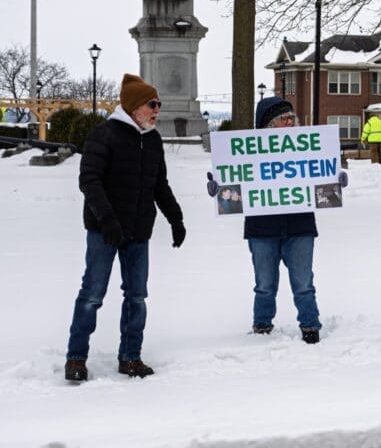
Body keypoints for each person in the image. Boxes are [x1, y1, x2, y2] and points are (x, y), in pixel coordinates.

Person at [65, 73, 186, 382]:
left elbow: (160, 185)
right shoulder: (104, 135)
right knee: (93, 294)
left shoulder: (153, 139)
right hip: (104, 230)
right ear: (134, 107)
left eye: (158, 104)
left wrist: (176, 218)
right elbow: (89, 181)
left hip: (138, 230)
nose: (157, 110)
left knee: (137, 296)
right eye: (152, 104)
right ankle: (76, 358)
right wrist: (107, 220)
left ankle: (130, 357)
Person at [206, 97, 347, 344]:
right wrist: (219, 188)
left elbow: (321, 180)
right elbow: (234, 190)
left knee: (304, 283)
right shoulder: (249, 153)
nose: (291, 122)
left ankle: (310, 326)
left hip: (300, 226)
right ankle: (262, 327)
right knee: (264, 284)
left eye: (292, 118)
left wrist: (335, 181)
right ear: (269, 126)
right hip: (262, 229)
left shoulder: (307, 149)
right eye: (285, 118)